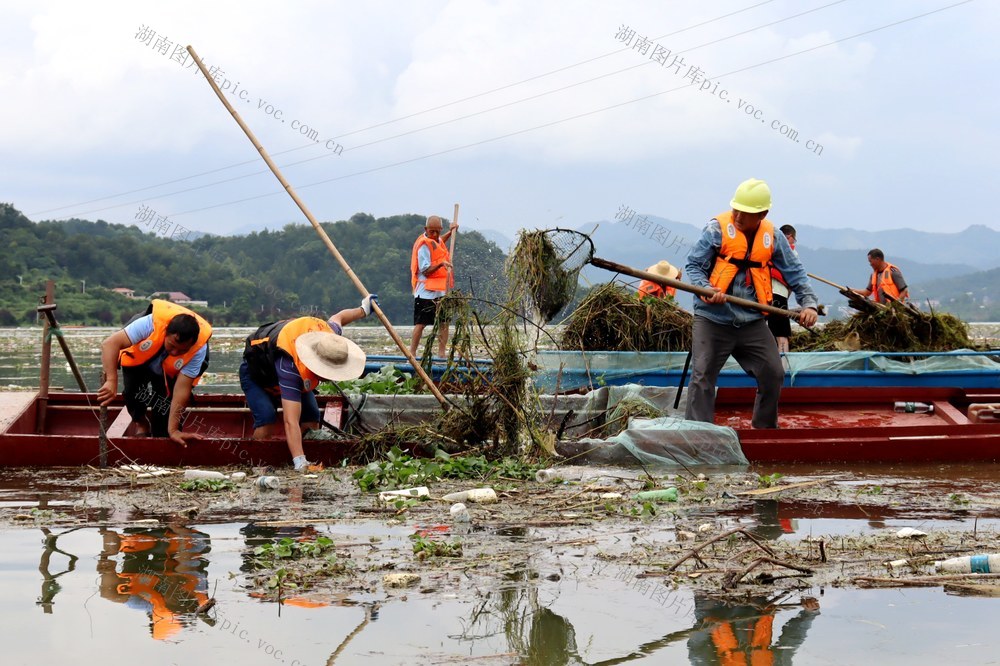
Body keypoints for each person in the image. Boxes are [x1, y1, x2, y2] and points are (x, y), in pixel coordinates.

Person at [684, 178, 819, 429]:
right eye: (735, 209)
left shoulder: (773, 236)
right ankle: (698, 435)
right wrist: (706, 288)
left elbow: (796, 273)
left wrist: (809, 304)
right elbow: (694, 265)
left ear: (761, 214)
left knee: (773, 374)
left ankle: (764, 430)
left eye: (744, 213)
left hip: (752, 321)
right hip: (713, 319)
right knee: (702, 375)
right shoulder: (716, 230)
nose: (736, 216)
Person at [240, 296, 373, 470]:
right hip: (257, 374)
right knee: (266, 418)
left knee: (311, 417)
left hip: (280, 368)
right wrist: (300, 463)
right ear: (317, 364)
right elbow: (290, 421)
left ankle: (295, 453)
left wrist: (364, 309)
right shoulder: (290, 366)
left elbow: (339, 318)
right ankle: (257, 462)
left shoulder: (329, 340)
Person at [97, 299, 212, 446]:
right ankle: (141, 422)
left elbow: (181, 389)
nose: (175, 352)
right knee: (133, 393)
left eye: (182, 350)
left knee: (164, 403)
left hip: (172, 370)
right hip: (139, 357)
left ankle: (163, 435)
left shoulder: (198, 350)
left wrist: (174, 430)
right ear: (166, 332)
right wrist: (111, 381)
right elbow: (110, 344)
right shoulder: (148, 324)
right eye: (172, 346)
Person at [409, 214, 458, 358]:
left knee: (444, 323)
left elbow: (440, 241)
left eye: (438, 231)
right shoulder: (423, 245)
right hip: (425, 292)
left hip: (440, 292)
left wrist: (451, 232)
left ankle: (441, 354)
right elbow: (426, 270)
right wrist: (441, 264)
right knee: (421, 324)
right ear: (426, 229)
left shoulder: (436, 240)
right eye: (432, 231)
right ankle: (411, 354)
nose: (435, 234)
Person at [767, 224, 798, 354]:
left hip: (764, 295)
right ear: (789, 237)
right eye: (794, 239)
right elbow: (793, 279)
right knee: (782, 334)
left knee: (765, 331)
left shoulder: (768, 250)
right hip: (779, 295)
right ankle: (783, 366)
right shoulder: (791, 253)